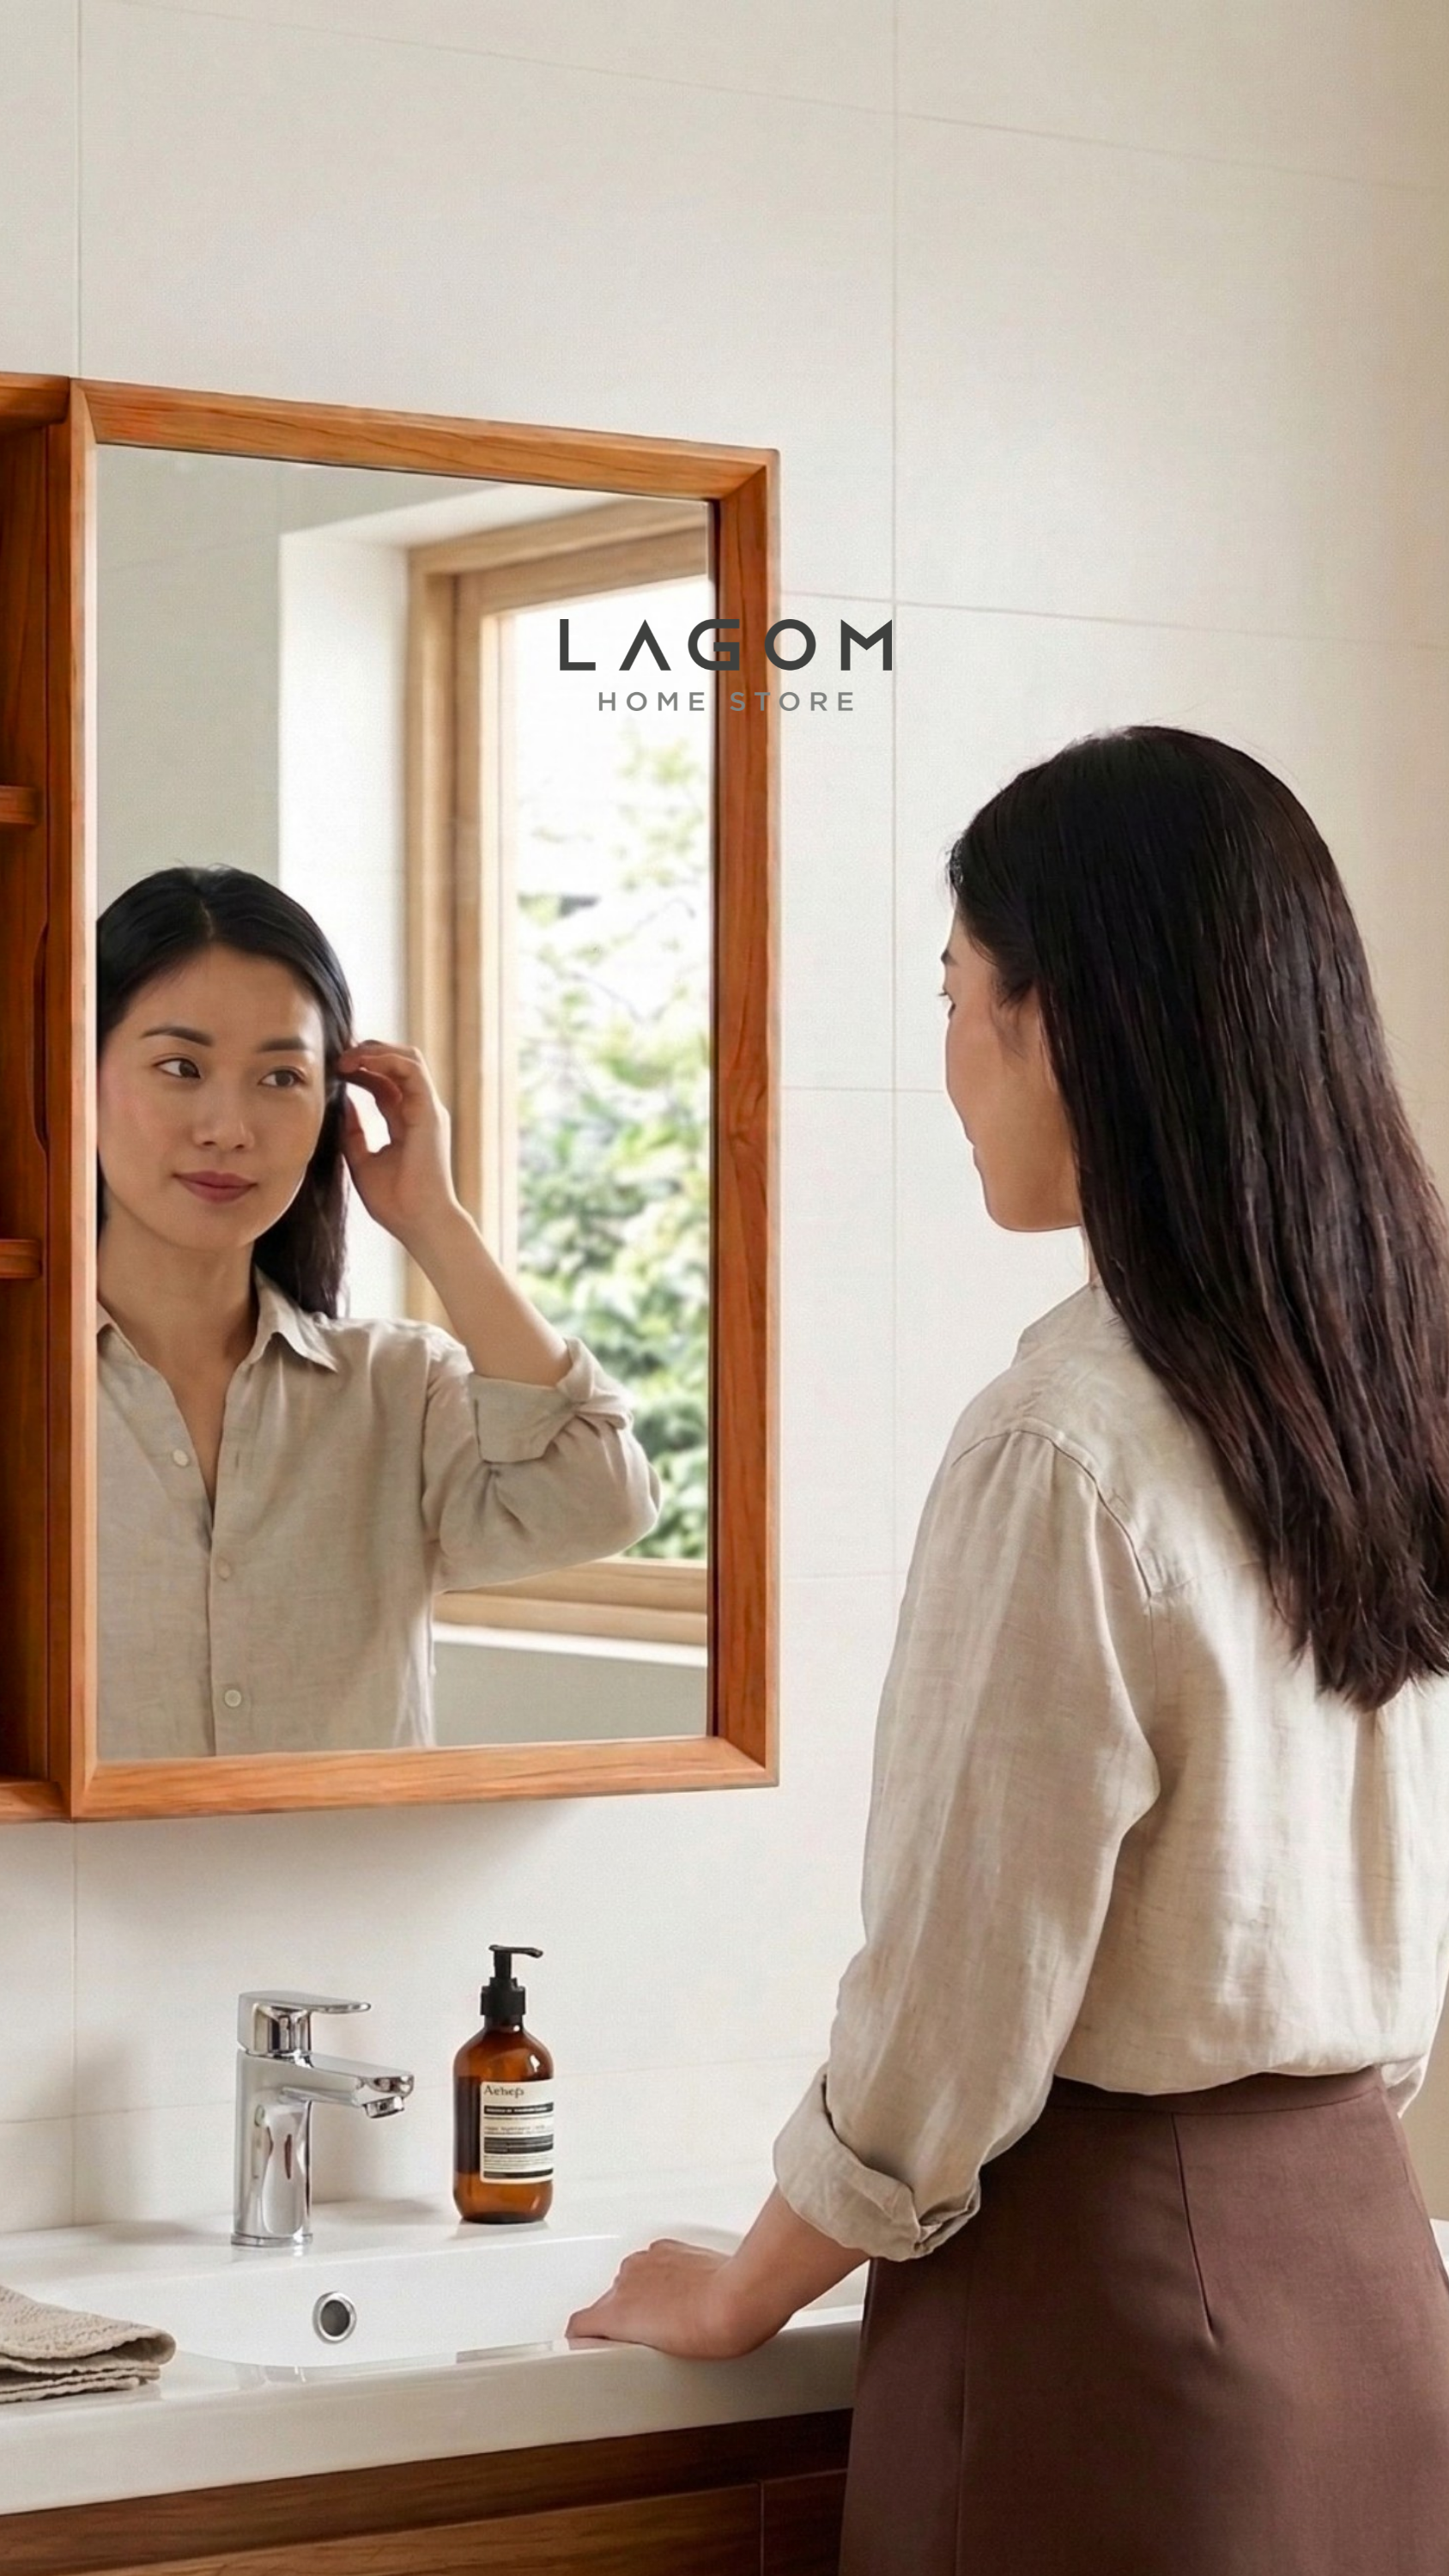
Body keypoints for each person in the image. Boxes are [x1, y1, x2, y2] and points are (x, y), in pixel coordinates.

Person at [569, 726, 1449, 2572]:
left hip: (1112, 2321)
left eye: (958, 993)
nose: (950, 1057)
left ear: (1074, 1024)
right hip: (1372, 2286)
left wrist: (746, 2286)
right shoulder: (1382, 1388)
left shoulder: (1065, 1442)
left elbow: (950, 2023)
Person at [93, 865, 658, 1758]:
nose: (228, 1127)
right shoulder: (6, 1386)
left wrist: (434, 1220)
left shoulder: (399, 1386)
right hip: (56, 1898)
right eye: (180, 1067)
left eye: (280, 1078)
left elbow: (597, 1504)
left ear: (331, 1104)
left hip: (360, 1893)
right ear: (79, 1074)